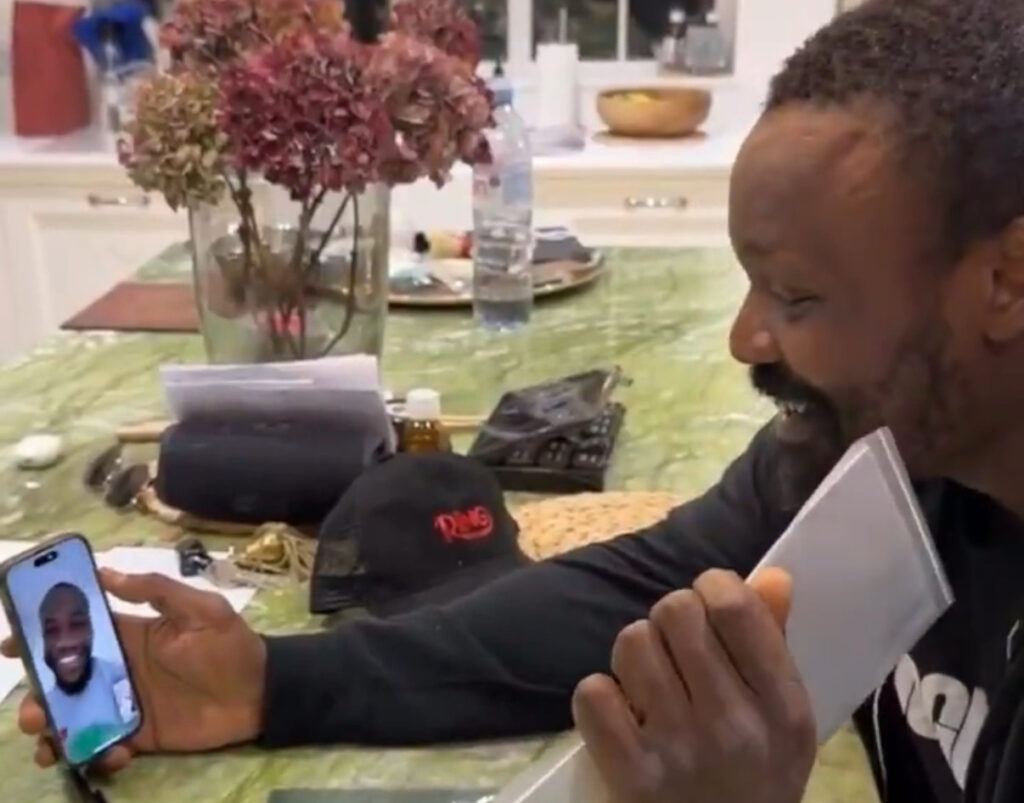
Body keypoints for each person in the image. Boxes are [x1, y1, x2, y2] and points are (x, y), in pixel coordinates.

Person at [6, 0, 1024, 800]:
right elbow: (631, 590)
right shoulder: (888, 446)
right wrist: (276, 683)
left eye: (797, 296)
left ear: (1005, 279)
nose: (746, 337)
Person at [36, 583, 135, 765]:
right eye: (51, 629)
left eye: (76, 624)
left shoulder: (124, 676)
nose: (65, 642)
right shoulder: (44, 710)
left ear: (91, 629)